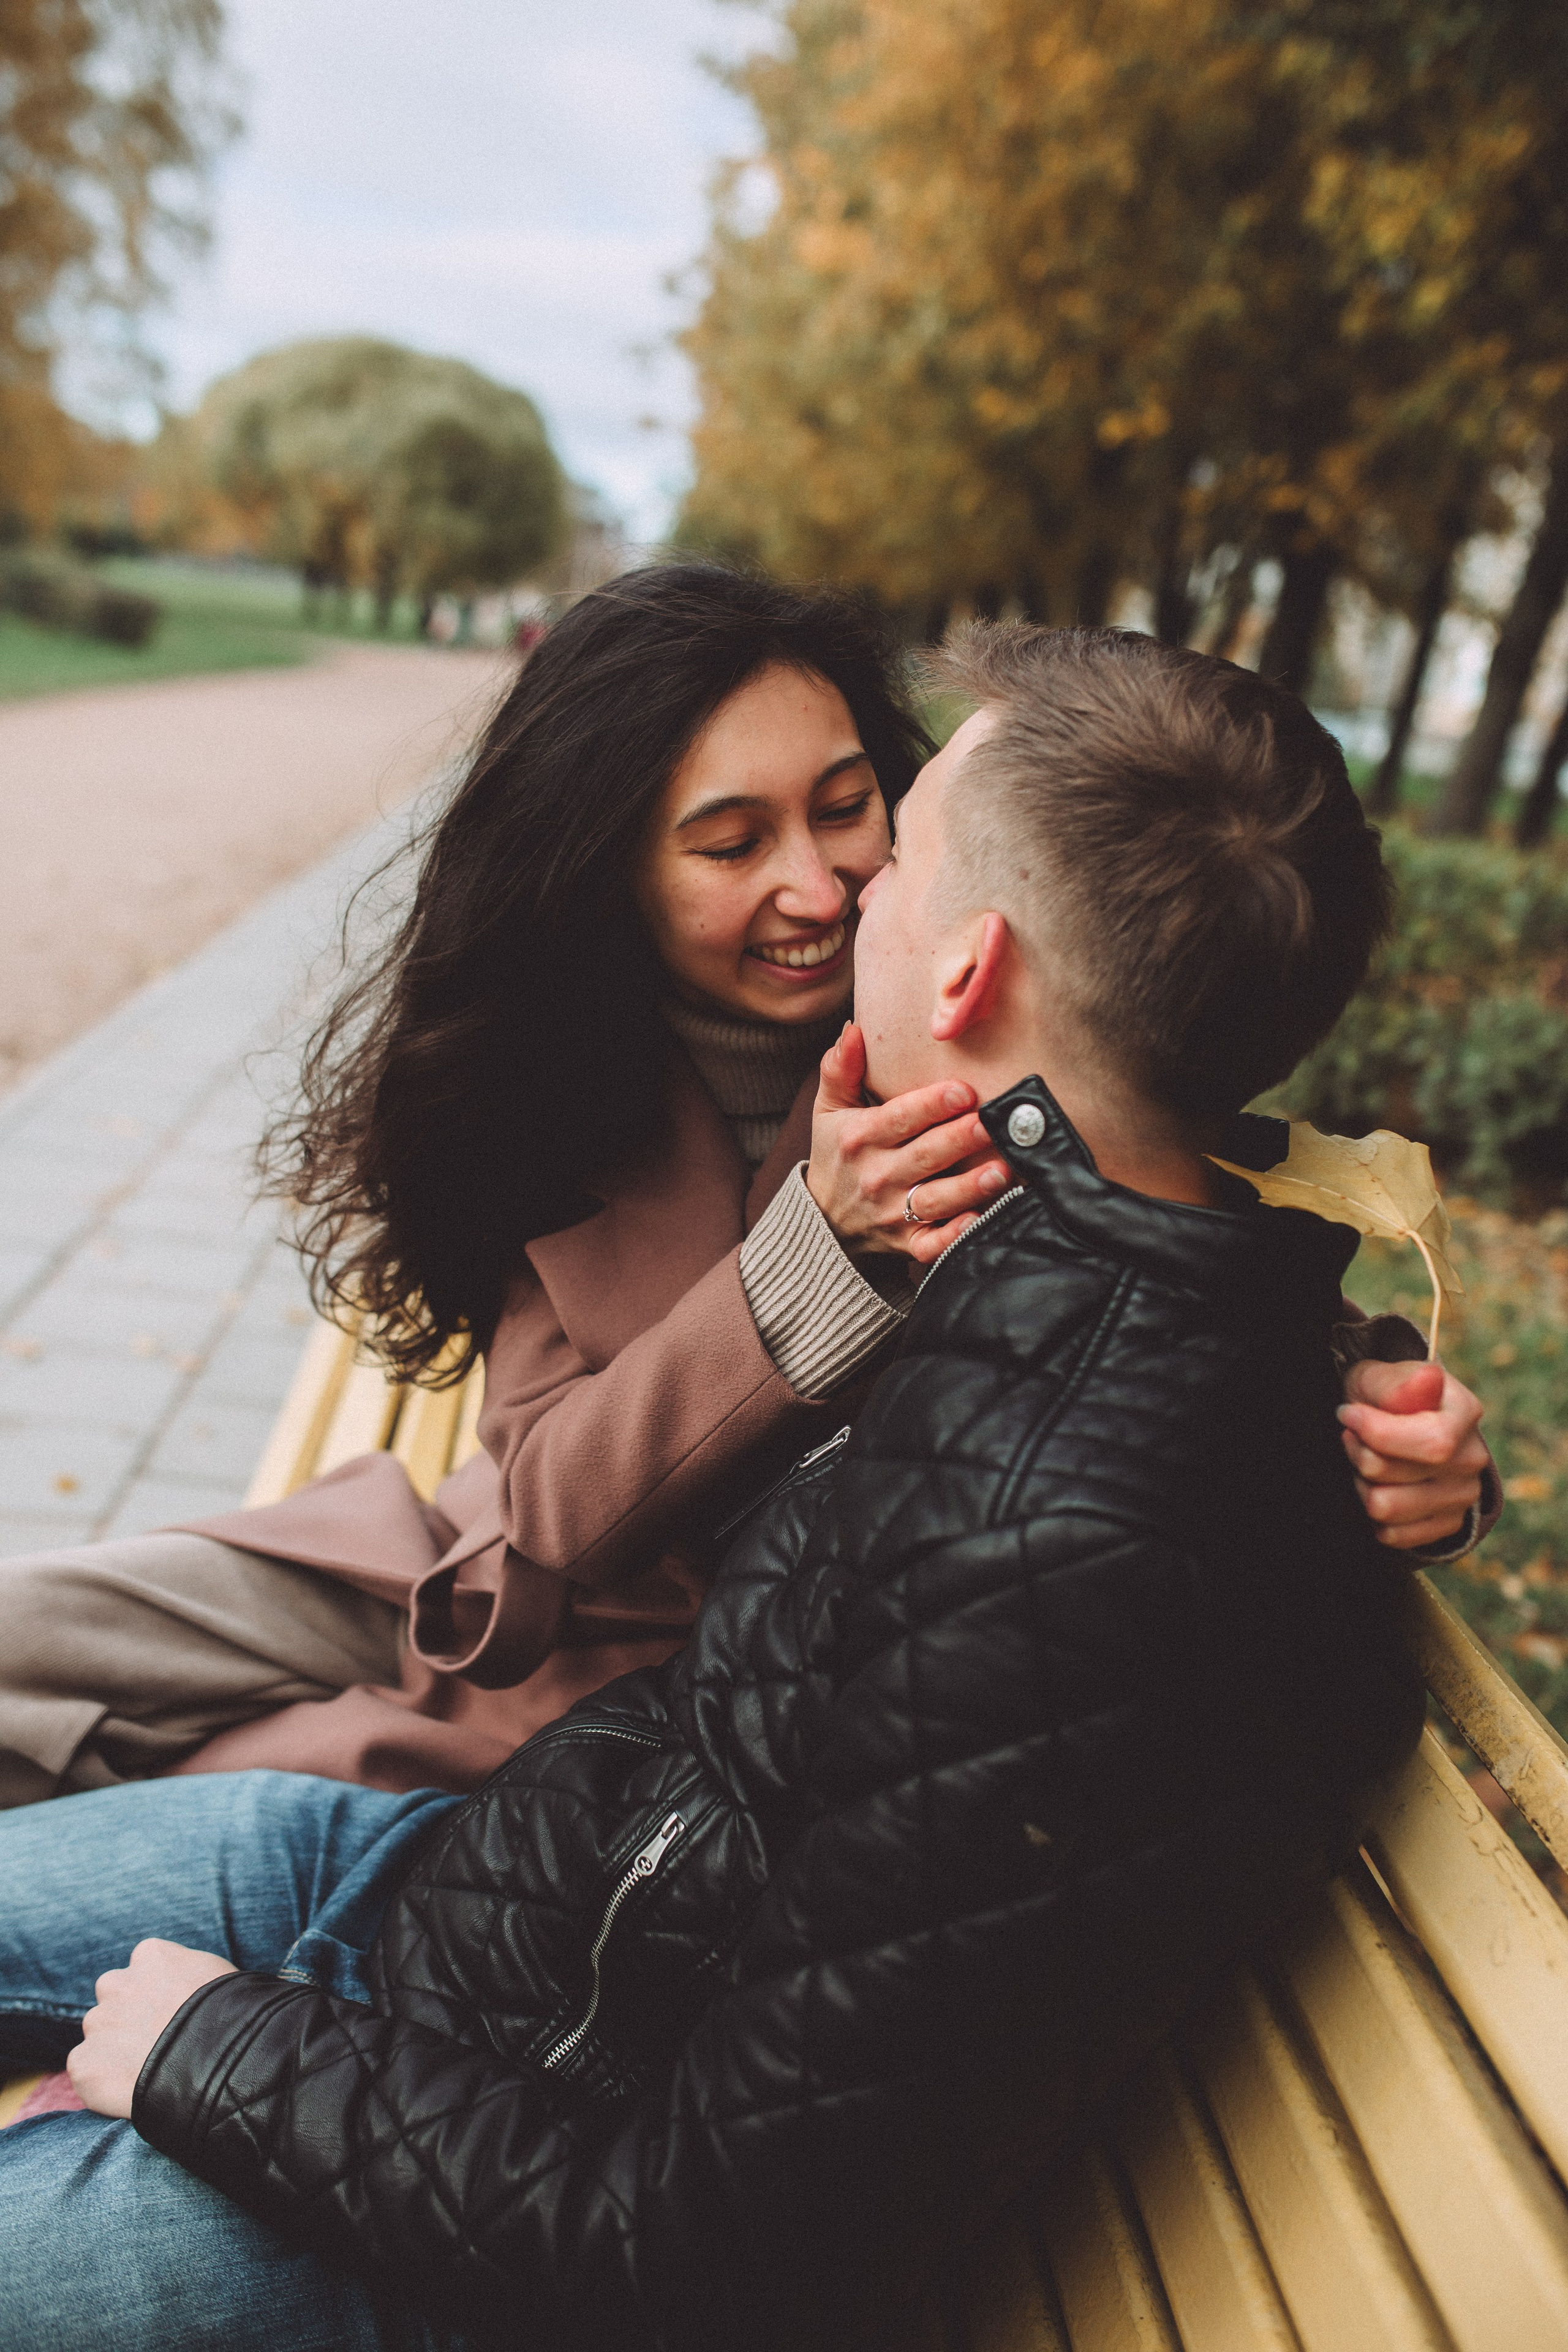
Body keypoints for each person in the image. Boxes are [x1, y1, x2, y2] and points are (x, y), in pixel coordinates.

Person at [0, 628, 1446, 2350]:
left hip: (495, 2027)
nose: (837, 894)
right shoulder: (963, 1163)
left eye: (875, 830)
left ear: (968, 962)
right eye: (731, 838)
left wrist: (216, 2056)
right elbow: (1166, 1274)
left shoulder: (1050, 1383)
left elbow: (704, 2239)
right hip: (498, 1868)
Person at [0, 567, 1492, 1809]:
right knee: (30, 1645)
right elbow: (535, 1496)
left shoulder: (962, 1044)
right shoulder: (562, 1062)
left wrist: (1419, 1455)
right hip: (452, 1566)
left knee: (159, 1819)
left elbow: (1174, 1270)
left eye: (851, 808)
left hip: (609, 1701)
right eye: (730, 841)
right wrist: (808, 1254)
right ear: (609, 872)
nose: (821, 885)